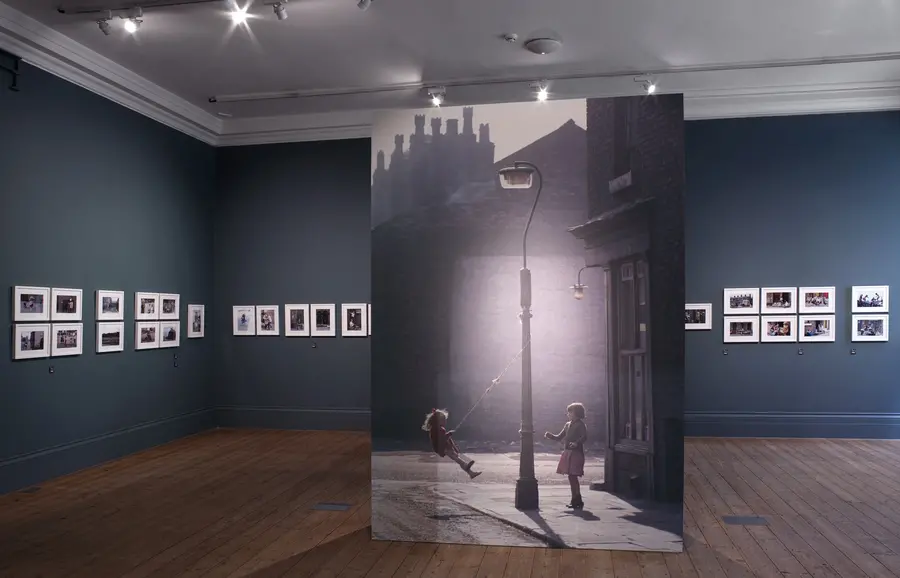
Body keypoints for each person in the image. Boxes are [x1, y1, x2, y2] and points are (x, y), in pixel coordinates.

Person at [544, 402, 587, 510]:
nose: (568, 414)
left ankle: (576, 500)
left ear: (576, 413)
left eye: (570, 412)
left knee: (573, 476)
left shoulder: (580, 424)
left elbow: (584, 437)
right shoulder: (567, 425)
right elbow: (559, 437)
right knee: (571, 477)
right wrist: (550, 436)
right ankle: (577, 500)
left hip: (576, 453)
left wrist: (577, 442)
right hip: (567, 452)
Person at [422, 409, 482, 479]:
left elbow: (447, 439)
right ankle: (466, 466)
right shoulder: (435, 429)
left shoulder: (440, 428)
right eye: (443, 419)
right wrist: (449, 434)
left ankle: (471, 473)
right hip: (441, 447)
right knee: (456, 458)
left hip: (445, 446)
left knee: (456, 457)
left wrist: (454, 446)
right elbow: (441, 439)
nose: (445, 421)